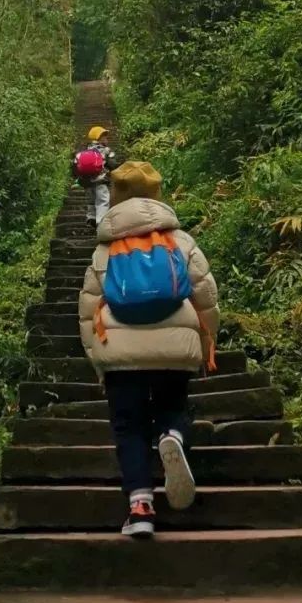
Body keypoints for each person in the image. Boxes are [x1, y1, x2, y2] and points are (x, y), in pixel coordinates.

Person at [79, 160, 219, 537]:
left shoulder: (105, 250)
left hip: (120, 353)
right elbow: (206, 296)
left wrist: (97, 361)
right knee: (173, 407)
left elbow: (87, 310)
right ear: (157, 195)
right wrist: (206, 342)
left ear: (115, 198)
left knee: (129, 427)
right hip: (175, 350)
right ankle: (172, 435)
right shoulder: (181, 240)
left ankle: (140, 508)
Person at [71, 125, 119, 229]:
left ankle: (91, 218)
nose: (106, 139)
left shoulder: (84, 151)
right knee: (103, 201)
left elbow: (75, 166)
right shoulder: (106, 150)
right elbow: (112, 165)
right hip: (101, 181)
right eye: (104, 137)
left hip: (87, 182)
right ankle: (101, 221)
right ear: (99, 138)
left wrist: (78, 179)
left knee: (91, 201)